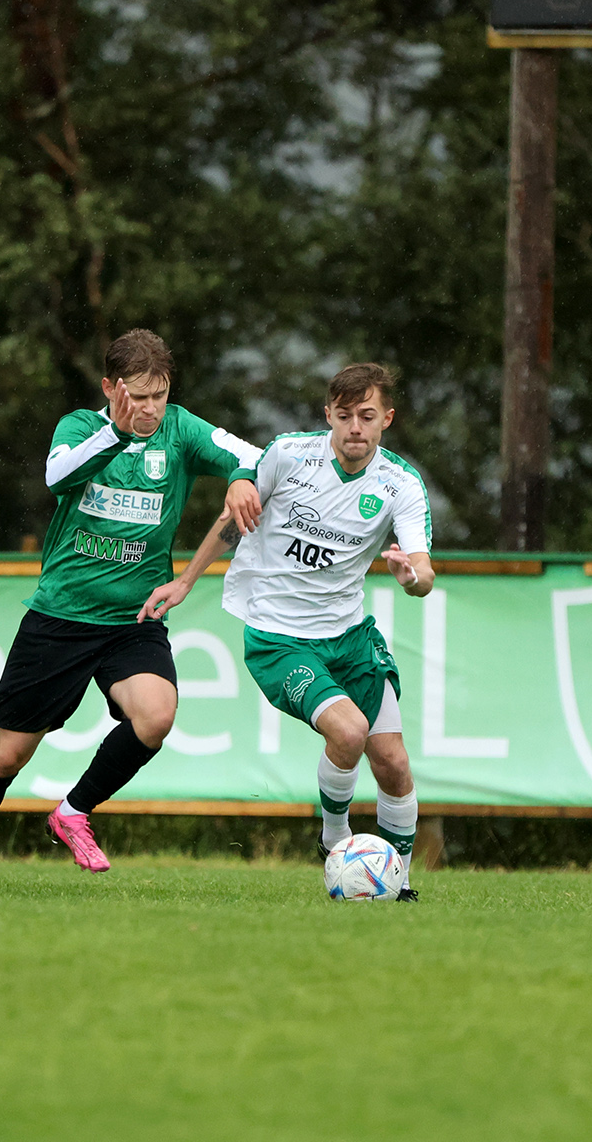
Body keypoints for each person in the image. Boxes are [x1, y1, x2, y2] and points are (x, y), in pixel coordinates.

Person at [0, 329, 262, 888]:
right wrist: (117, 432)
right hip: (61, 616)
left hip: (134, 620)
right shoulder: (81, 428)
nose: (148, 409)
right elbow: (58, 476)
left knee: (156, 714)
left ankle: (73, 810)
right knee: (6, 759)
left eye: (157, 395)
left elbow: (253, 454)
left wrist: (242, 478)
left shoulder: (181, 429)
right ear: (109, 388)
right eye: (135, 396)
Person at [149, 362, 433, 900]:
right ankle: (334, 844)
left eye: (366, 416)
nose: (354, 427)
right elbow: (234, 518)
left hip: (349, 637)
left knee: (393, 762)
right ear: (328, 415)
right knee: (347, 732)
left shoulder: (401, 485)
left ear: (386, 420)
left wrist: (411, 576)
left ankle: (398, 883)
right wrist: (186, 581)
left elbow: (423, 572)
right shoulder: (288, 455)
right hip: (278, 637)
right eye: (344, 415)